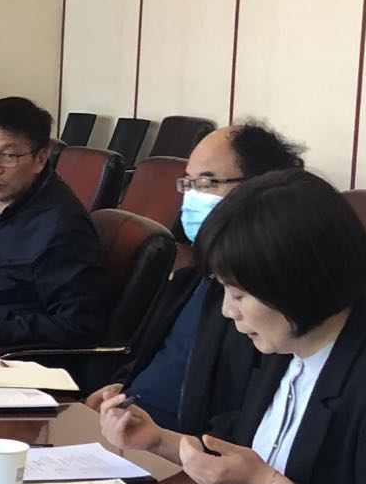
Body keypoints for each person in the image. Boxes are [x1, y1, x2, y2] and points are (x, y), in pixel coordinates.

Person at [100, 170, 366, 484]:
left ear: (298, 283)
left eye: (240, 294)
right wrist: (157, 439)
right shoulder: (283, 346)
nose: (228, 311)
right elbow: (241, 450)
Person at [87, 122, 305, 430]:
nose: (191, 199)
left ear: (260, 189)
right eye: (187, 184)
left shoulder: (269, 300)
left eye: (205, 184)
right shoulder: (191, 277)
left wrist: (166, 442)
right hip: (126, 425)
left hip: (179, 446)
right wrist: (118, 388)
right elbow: (147, 357)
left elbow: (247, 419)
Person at [0, 97, 103, 352]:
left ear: (40, 158)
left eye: (8, 156)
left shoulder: (62, 227)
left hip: (6, 359)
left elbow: (78, 323)